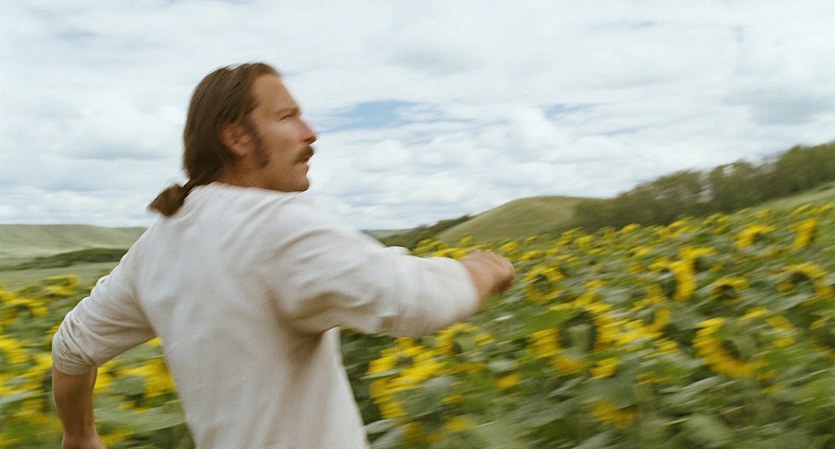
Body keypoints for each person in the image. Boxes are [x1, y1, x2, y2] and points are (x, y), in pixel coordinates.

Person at [51, 62, 515, 449]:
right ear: (238, 138)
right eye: (288, 117)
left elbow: (71, 346)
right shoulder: (276, 224)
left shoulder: (158, 245)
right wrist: (479, 269)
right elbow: (414, 299)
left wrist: (80, 434)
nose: (310, 134)